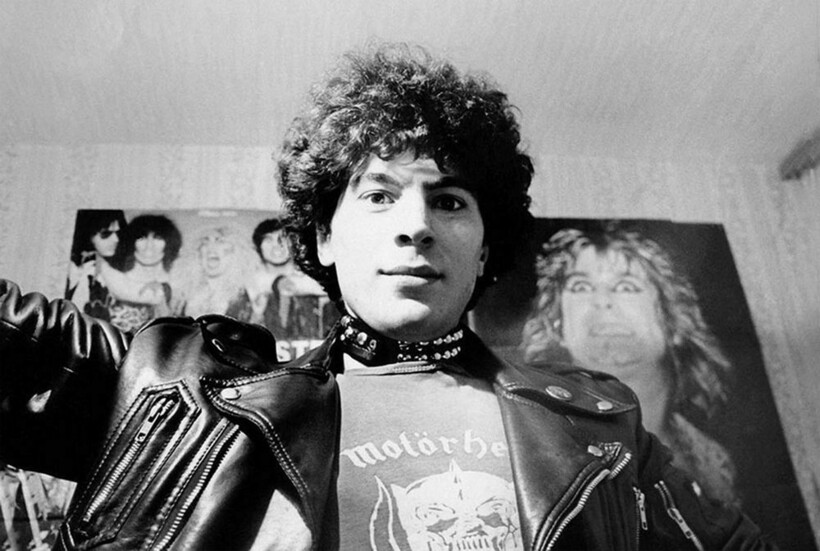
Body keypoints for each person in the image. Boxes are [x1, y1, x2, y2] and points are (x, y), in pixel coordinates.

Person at [0, 44, 776, 550]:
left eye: (450, 201)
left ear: (485, 245)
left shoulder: (602, 422)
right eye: (378, 195)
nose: (416, 225)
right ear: (325, 237)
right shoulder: (185, 398)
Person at [521, 223, 739, 506]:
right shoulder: (536, 445)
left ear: (672, 320)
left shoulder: (714, 465)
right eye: (581, 286)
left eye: (626, 286)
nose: (602, 301)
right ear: (557, 324)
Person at [226, 218, 338, 359]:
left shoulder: (316, 279)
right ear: (258, 246)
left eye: (282, 239)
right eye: (268, 240)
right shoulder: (247, 286)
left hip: (310, 359)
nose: (276, 246)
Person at [105, 214, 182, 333]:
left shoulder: (178, 286)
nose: (149, 246)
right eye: (142, 237)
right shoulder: (113, 279)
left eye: (157, 238)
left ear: (169, 242)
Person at [64, 209, 127, 321]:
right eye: (105, 234)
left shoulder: (118, 267)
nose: (116, 239)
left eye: (118, 233)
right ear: (88, 235)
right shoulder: (72, 269)